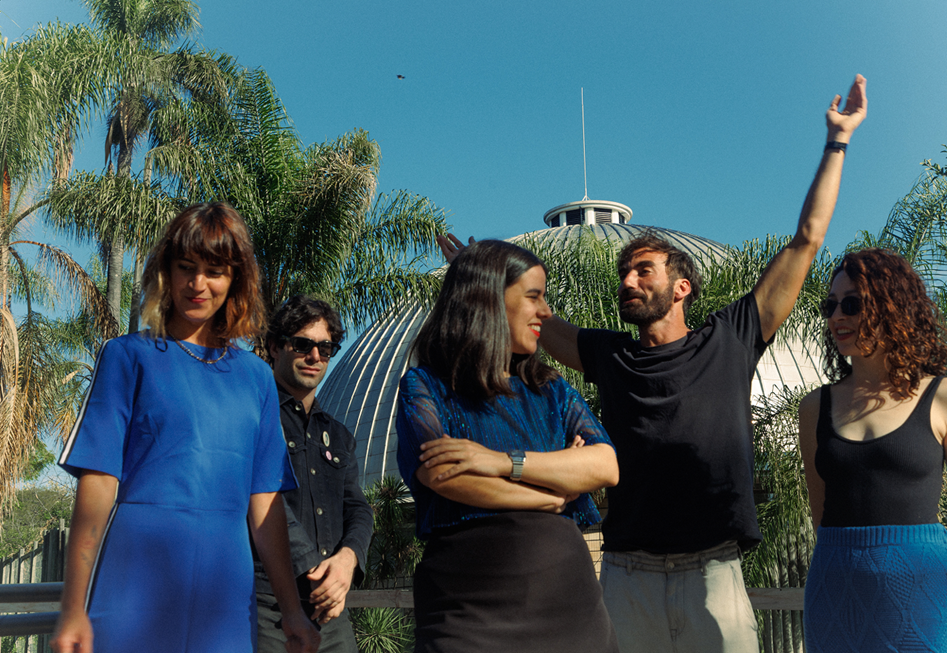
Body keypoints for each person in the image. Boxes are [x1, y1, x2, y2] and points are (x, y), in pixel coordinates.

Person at [437, 73, 867, 653]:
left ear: (683, 285)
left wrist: (836, 142)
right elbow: (532, 323)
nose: (629, 281)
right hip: (626, 576)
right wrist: (483, 277)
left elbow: (806, 240)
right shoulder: (609, 356)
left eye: (644, 270)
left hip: (715, 577)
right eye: (624, 273)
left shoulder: (733, 338)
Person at [52, 203, 320, 653]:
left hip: (226, 590)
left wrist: (292, 610)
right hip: (133, 579)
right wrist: (72, 606)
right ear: (166, 273)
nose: (198, 284)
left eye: (214, 271)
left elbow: (265, 503)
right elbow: (98, 484)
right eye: (186, 268)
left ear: (236, 279)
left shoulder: (257, 378)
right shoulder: (126, 357)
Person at [396, 239, 620, 653]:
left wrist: (499, 461)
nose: (547, 312)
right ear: (489, 300)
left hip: (571, 611)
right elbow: (446, 475)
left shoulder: (550, 389)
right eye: (534, 297)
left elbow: (605, 464)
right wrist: (554, 493)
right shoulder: (424, 386)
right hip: (469, 612)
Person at [798, 248, 947, 653]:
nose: (836, 317)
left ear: (892, 306)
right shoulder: (815, 407)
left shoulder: (941, 395)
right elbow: (820, 511)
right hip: (834, 588)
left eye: (851, 304)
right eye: (830, 306)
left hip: (923, 588)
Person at [255, 296, 374, 653]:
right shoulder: (255, 418)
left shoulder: (338, 435)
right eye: (303, 344)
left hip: (330, 610)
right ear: (275, 347)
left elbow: (358, 508)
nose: (315, 357)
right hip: (267, 606)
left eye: (326, 348)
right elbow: (264, 501)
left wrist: (348, 559)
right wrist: (317, 569)